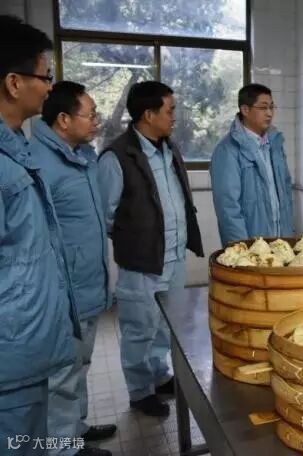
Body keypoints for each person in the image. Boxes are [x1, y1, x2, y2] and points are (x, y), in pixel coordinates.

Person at [98, 81, 204, 417]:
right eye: (170, 110)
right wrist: (136, 240)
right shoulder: (117, 157)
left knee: (164, 325)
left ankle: (159, 376)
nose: (174, 117)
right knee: (139, 329)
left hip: (174, 257)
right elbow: (105, 216)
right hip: (142, 262)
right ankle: (139, 391)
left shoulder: (169, 148)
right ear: (148, 114)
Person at [0, 15, 80, 456]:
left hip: (26, 350)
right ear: (14, 83)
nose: (50, 88)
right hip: (9, 357)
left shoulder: (16, 148)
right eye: (45, 77)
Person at [29, 81, 115, 455]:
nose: (97, 120)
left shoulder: (83, 156)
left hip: (88, 285)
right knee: (62, 376)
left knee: (81, 363)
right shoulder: (39, 163)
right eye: (90, 114)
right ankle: (63, 448)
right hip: (64, 292)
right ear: (63, 120)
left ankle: (76, 431)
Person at [210, 83, 294, 246]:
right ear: (245, 110)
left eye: (271, 107)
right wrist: (243, 248)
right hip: (251, 246)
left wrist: (288, 237)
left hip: (280, 243)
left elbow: (285, 194)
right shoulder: (228, 150)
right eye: (263, 107)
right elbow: (228, 208)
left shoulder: (275, 143)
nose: (269, 113)